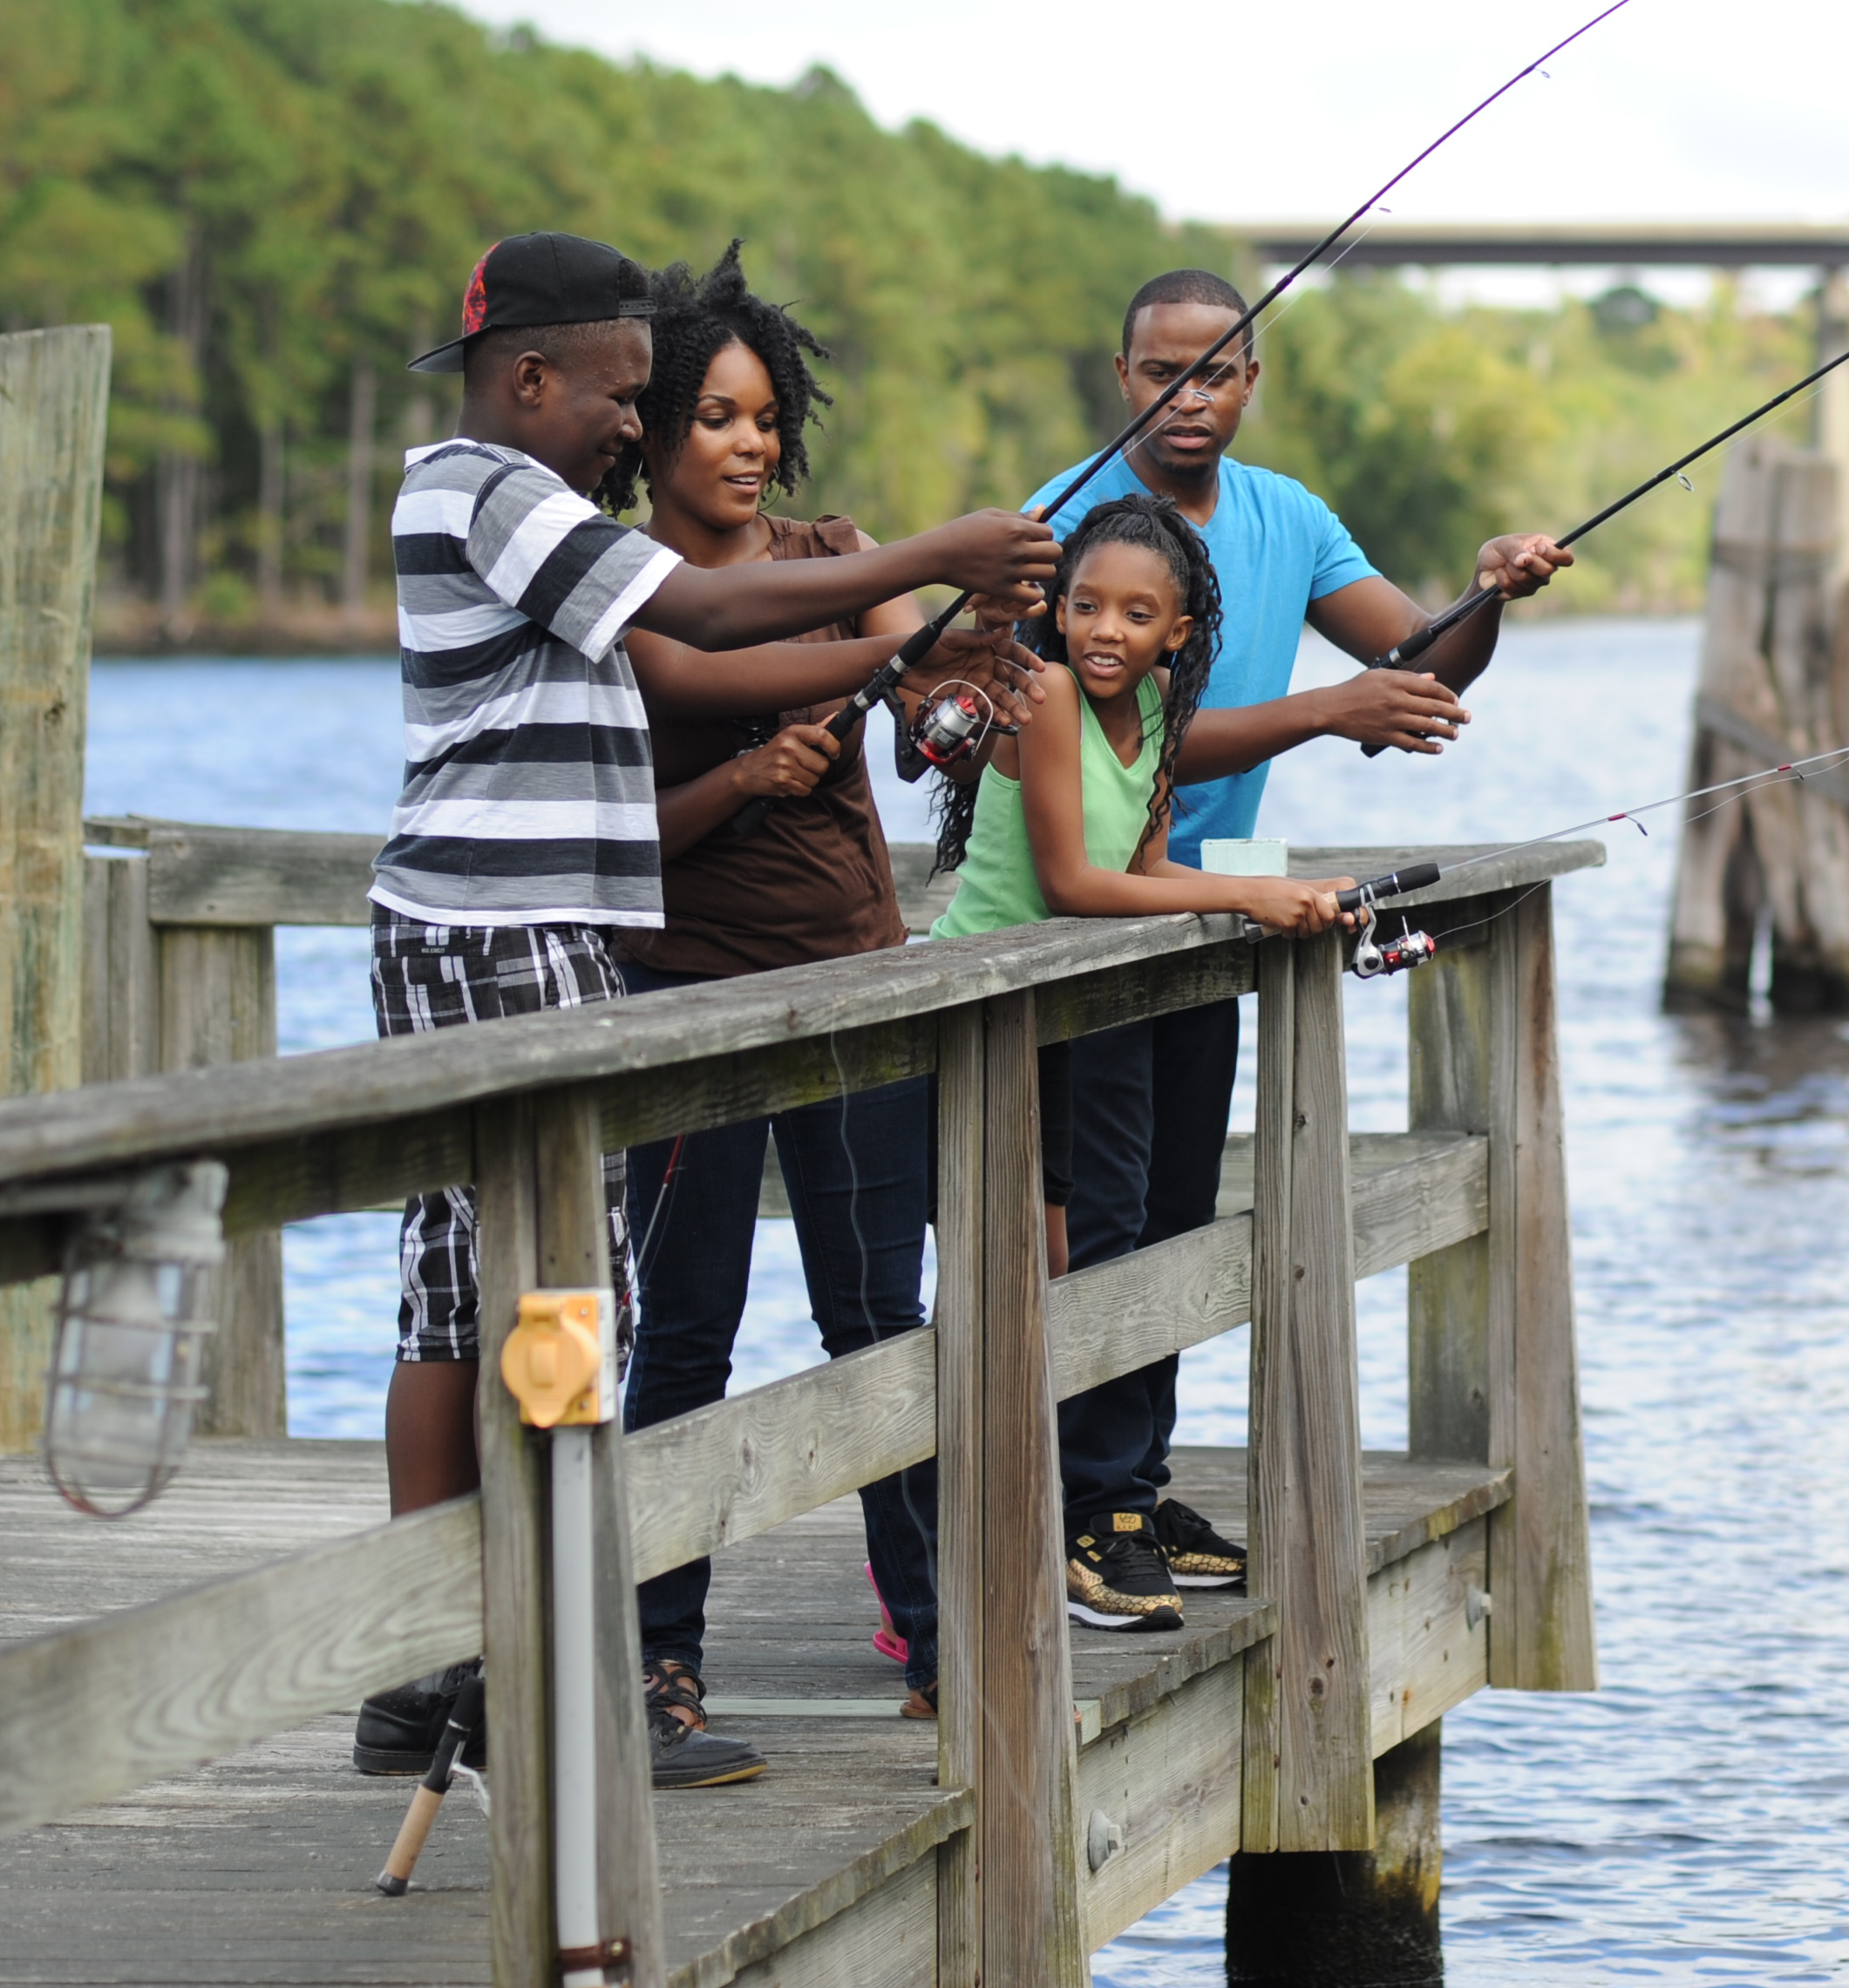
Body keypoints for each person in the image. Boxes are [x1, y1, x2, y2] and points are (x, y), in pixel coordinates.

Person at [352, 229, 1054, 1790]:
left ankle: (452, 1668)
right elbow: (709, 620)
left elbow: (721, 647)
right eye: (623, 396)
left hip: (517, 930)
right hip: (499, 929)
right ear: (530, 377)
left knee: (487, 1289)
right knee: (541, 1301)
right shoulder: (487, 490)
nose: (637, 426)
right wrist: (930, 557)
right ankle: (522, 1670)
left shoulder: (487, 498)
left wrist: (904, 630)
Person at [1013, 268, 1567, 1608]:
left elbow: (1420, 662)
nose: (1187, 396)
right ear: (1120, 372)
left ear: (1252, 381)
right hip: (1081, 920)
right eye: (1160, 370)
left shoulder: (1288, 515)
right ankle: (1080, 1503)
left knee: (1182, 1209)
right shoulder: (1064, 525)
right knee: (1102, 1218)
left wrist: (1487, 592)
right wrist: (1326, 712)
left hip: (1216, 907)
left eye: (1215, 371)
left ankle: (1129, 1489)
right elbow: (1102, 731)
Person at [604, 242, 1035, 1740]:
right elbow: (614, 842)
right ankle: (663, 1657)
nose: (748, 442)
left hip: (856, 992)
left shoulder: (824, 554)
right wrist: (740, 782)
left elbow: (932, 696)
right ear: (647, 432)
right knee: (683, 1340)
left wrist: (965, 701)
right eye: (714, 417)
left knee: (878, 1321)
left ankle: (933, 1640)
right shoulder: (621, 598)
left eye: (763, 414)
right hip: (686, 1011)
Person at [925, 492, 1353, 1631]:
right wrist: (1249, 889)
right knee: (1080, 1255)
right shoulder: (1049, 694)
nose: (1105, 629)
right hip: (999, 1008)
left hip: (1088, 1001)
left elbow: (1147, 863)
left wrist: (1272, 899)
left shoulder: (1158, 705)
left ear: (1175, 633)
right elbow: (1073, 883)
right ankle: (1088, 1520)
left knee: (1149, 1232)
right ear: (1057, 614)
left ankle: (1121, 1495)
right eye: (1086, 605)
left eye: (1136, 612)